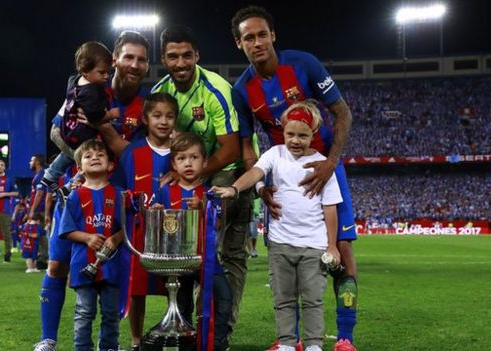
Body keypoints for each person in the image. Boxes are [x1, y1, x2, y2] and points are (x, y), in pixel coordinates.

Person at [231, 6, 359, 351]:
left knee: (341, 249)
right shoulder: (242, 90)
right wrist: (260, 185)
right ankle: (292, 339)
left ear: (272, 35)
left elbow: (342, 112)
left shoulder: (303, 64)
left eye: (261, 34)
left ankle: (345, 336)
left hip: (326, 166)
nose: (256, 42)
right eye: (248, 38)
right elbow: (246, 145)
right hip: (282, 175)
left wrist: (330, 163)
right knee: (284, 253)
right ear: (238, 44)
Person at [34, 31, 152, 351]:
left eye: (141, 59)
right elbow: (57, 132)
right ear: (114, 60)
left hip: (117, 198)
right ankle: (48, 338)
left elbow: (138, 155)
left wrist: (104, 132)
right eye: (128, 56)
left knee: (118, 271)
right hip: (79, 191)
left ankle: (127, 341)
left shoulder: (148, 104)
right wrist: (81, 164)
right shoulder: (88, 89)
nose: (134, 64)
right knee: (57, 264)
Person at [212, 101, 342, 351]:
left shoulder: (322, 164)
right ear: (282, 132)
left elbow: (330, 208)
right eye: (290, 134)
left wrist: (332, 246)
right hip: (281, 244)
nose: (295, 140)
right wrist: (234, 188)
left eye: (302, 135)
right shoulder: (275, 154)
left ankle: (314, 344)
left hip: (313, 245)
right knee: (283, 298)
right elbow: (256, 173)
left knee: (313, 299)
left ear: (313, 134)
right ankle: (286, 343)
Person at [151, 25, 250, 338]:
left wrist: (193, 175)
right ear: (163, 59)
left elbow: (231, 148)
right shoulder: (160, 94)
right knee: (181, 251)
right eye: (172, 57)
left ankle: (221, 331)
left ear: (197, 55)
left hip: (228, 171)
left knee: (229, 255)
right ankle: (185, 327)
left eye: (186, 56)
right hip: (189, 174)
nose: (180, 63)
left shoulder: (216, 88)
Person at [109, 92, 177, 350]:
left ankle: (178, 331)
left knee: (176, 283)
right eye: (157, 115)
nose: (163, 121)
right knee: (137, 287)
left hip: (173, 232)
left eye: (169, 116)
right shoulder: (133, 152)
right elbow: (117, 189)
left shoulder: (182, 151)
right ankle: (136, 340)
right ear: (146, 119)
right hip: (138, 231)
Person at [154, 132, 233, 351]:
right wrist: (157, 215)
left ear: (204, 161)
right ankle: (186, 343)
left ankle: (216, 344)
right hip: (177, 262)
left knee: (224, 297)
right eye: (181, 158)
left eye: (194, 157)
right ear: (174, 163)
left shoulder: (212, 194)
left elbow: (218, 226)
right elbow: (155, 227)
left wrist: (204, 209)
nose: (188, 163)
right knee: (181, 305)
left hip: (206, 259)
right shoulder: (164, 193)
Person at [58, 139, 126, 351]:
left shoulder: (118, 195)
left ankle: (108, 347)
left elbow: (128, 227)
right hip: (83, 265)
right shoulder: (74, 196)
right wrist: (87, 238)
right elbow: (66, 230)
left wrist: (116, 238)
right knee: (84, 312)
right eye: (88, 156)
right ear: (79, 168)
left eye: (100, 155)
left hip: (112, 265)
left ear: (110, 165)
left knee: (111, 313)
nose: (94, 157)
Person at [40, 41, 118, 198]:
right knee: (91, 158)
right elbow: (95, 116)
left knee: (73, 153)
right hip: (67, 132)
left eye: (108, 71)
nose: (106, 76)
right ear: (85, 71)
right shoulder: (91, 91)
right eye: (102, 72)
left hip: (59, 127)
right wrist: (111, 115)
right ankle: (68, 187)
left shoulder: (75, 79)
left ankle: (50, 177)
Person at [0, 159, 19, 263]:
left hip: (4, 210)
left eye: (2, 165)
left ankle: (7, 255)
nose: (0, 166)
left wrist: (5, 194)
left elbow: (16, 194)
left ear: (4, 167)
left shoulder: (9, 179)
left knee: (6, 234)